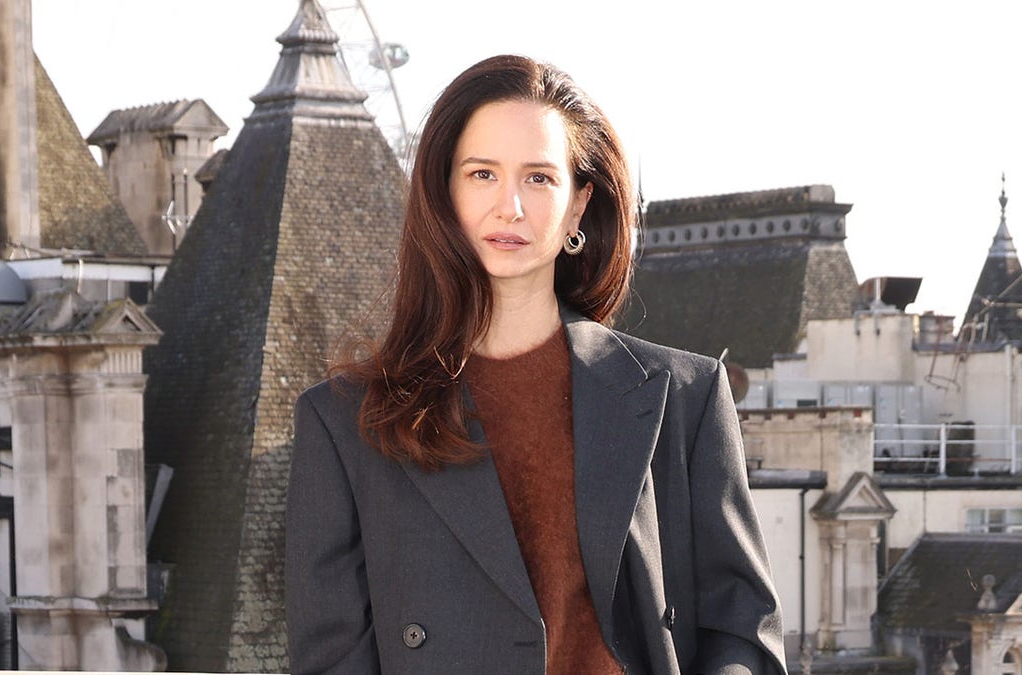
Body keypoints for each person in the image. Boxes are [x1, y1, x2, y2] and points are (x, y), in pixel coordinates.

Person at [286, 54, 786, 674]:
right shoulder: (343, 424)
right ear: (443, 191)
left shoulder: (684, 396)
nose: (510, 207)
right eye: (482, 174)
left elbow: (741, 627)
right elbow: (333, 659)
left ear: (579, 206)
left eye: (540, 178)